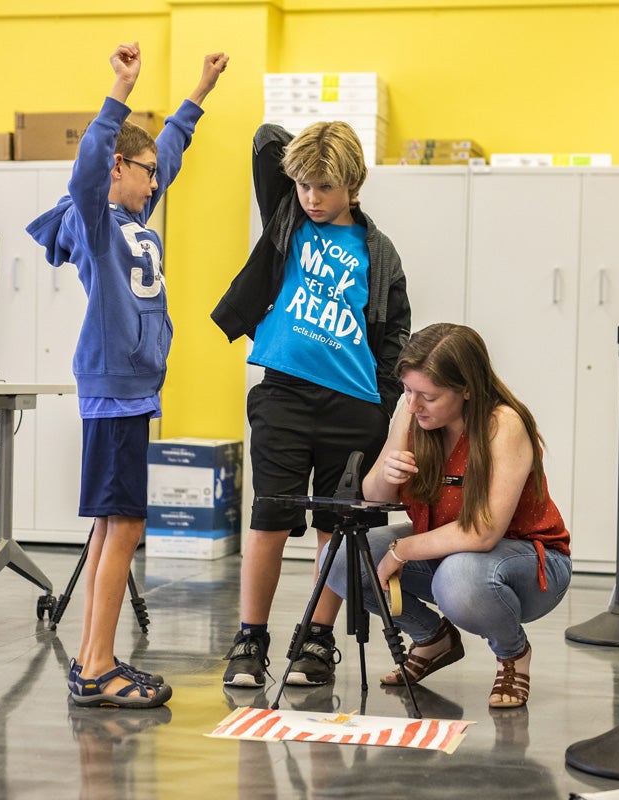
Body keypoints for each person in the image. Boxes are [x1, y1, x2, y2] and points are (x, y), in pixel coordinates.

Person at [27, 42, 228, 708]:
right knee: (125, 527)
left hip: (133, 391)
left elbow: (166, 148)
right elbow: (89, 168)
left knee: (114, 528)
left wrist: (199, 91)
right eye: (143, 173)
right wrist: (119, 89)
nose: (155, 182)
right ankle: (98, 666)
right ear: (118, 167)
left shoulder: (134, 213)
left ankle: (92, 660)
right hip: (114, 390)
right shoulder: (94, 218)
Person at [211, 121, 411, 688]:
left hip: (355, 404)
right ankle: (251, 638)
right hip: (283, 394)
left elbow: (396, 331)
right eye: (303, 184)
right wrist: (313, 151)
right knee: (269, 517)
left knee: (336, 526)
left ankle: (316, 641)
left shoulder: (378, 250)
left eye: (324, 186)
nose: (312, 198)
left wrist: (384, 403)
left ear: (353, 185)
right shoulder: (288, 219)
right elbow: (265, 137)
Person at [325, 322, 572, 708]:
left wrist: (401, 550)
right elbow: (372, 500)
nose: (413, 404)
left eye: (428, 395)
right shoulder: (412, 413)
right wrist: (387, 470)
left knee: (458, 578)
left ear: (468, 389)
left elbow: (483, 533)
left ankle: (512, 654)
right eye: (407, 390)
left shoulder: (503, 425)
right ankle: (432, 638)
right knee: (339, 559)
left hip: (529, 564)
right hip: (448, 552)